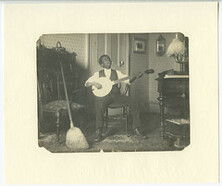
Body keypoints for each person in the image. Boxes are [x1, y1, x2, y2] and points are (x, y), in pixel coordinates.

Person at [85, 54, 146, 142]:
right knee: (99, 104)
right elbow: (87, 83)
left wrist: (135, 77)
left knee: (134, 101)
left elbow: (128, 80)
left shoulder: (117, 72)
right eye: (105, 60)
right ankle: (99, 131)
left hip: (116, 96)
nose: (108, 60)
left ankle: (136, 128)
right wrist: (94, 83)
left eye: (108, 59)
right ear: (102, 64)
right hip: (104, 97)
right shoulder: (98, 74)